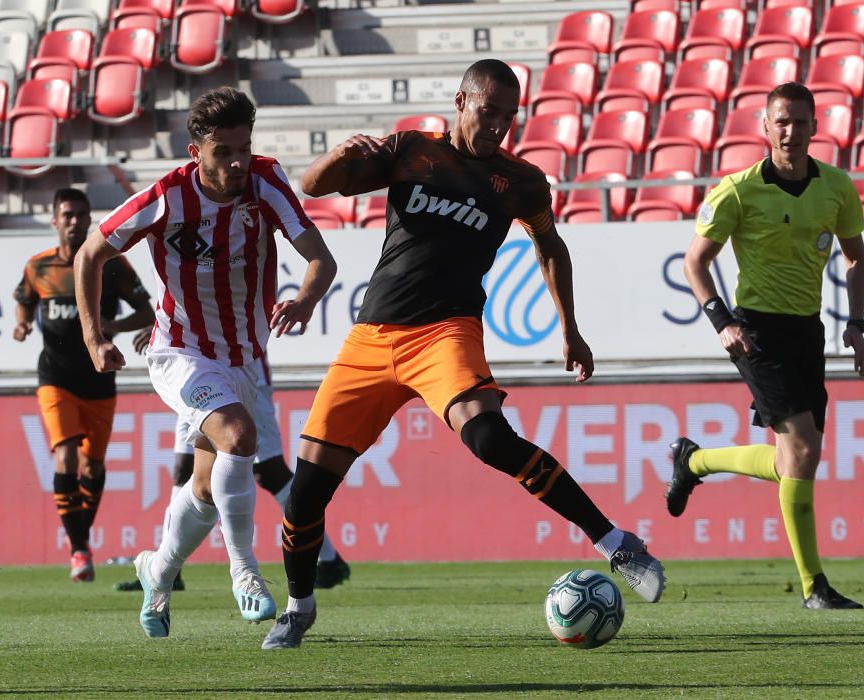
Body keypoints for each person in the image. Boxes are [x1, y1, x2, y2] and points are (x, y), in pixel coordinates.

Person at [261, 59, 666, 650]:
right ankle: (298, 607)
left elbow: (551, 248)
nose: (499, 124)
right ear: (460, 100)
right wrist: (340, 153)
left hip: (445, 333)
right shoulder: (410, 151)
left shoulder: (522, 182)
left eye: (509, 115)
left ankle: (618, 544)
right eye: (489, 110)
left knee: (489, 439)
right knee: (305, 494)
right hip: (371, 337)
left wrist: (570, 328)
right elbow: (313, 186)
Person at [74, 87, 338, 637]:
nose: (238, 161)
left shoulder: (266, 182)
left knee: (202, 487)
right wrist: (94, 336)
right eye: (224, 151)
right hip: (180, 351)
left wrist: (307, 299)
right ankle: (244, 571)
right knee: (240, 437)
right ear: (196, 151)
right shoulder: (166, 198)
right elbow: (89, 254)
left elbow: (321, 257)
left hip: (243, 356)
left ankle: (157, 569)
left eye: (244, 147)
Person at [669, 82, 864, 610]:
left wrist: (857, 323)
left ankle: (694, 462)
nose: (790, 131)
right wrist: (722, 322)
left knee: (791, 462)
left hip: (809, 329)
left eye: (800, 121)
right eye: (781, 121)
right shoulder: (737, 190)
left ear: (815, 127)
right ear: (765, 126)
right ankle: (813, 587)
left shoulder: (837, 188)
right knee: (803, 450)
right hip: (756, 331)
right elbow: (695, 261)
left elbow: (857, 259)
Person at [114, 331, 351, 592]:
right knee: (185, 467)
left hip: (239, 369)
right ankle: (168, 567)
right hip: (189, 366)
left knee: (269, 470)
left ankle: (328, 558)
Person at [14, 187, 155, 583]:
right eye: (67, 214)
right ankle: (79, 550)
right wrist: (22, 321)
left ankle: (81, 539)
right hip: (55, 377)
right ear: (55, 220)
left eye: (81, 214)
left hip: (99, 378)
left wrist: (114, 326)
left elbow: (146, 310)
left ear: (90, 219)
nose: (74, 221)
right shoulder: (38, 267)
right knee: (66, 457)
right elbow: (25, 297)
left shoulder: (110, 265)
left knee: (93, 465)